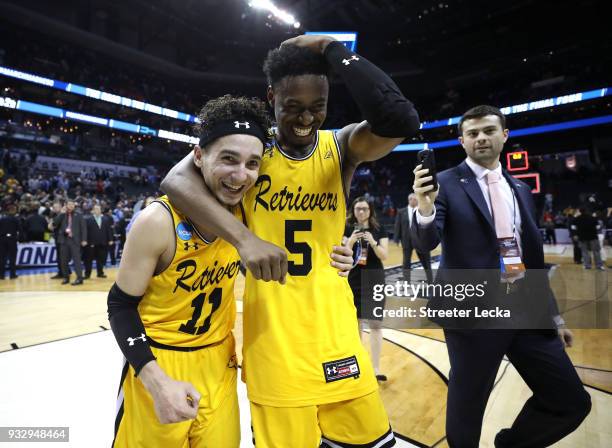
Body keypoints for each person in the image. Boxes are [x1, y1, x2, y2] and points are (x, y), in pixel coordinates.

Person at [162, 34, 419, 447]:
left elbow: (401, 119)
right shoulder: (251, 155)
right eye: (293, 107)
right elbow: (176, 181)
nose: (305, 119)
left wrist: (333, 49)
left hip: (337, 338)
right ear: (271, 99)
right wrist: (245, 240)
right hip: (275, 349)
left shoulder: (341, 146)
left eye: (317, 107)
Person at [108, 95, 356, 447]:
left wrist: (342, 253)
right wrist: (155, 380)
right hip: (160, 361)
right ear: (198, 155)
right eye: (228, 159)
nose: (241, 176)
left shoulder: (246, 211)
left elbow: (308, 224)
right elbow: (119, 305)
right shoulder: (157, 222)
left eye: (252, 163)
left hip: (221, 361)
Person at [412, 105, 591, 447]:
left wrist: (553, 315)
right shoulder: (444, 184)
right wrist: (424, 205)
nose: (481, 138)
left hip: (526, 309)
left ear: (504, 136)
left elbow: (532, 260)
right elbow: (426, 241)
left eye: (489, 130)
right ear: (461, 140)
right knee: (467, 410)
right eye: (473, 133)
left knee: (571, 401)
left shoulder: (521, 189)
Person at [343, 196, 389, 381]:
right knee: (357, 323)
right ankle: (359, 364)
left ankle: (376, 368)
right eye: (358, 209)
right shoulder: (347, 228)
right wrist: (351, 240)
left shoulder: (379, 229)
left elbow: (384, 255)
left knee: (376, 324)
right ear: (353, 211)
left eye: (364, 209)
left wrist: (372, 241)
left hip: (375, 279)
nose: (361, 212)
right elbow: (343, 253)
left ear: (370, 211)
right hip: (355, 279)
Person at [393, 192, 433, 284]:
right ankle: (407, 282)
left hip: (421, 240)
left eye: (415, 199)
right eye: (412, 199)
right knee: (406, 262)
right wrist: (396, 239)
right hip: (407, 240)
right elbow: (397, 226)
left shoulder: (423, 210)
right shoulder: (401, 211)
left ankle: (430, 280)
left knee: (426, 261)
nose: (413, 201)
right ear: (409, 200)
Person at [52, 199, 87, 285]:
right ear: (66, 205)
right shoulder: (62, 215)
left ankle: (79, 278)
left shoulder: (78, 215)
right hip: (64, 240)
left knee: (77, 260)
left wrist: (84, 239)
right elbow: (54, 223)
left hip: (75, 240)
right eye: (69, 204)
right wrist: (61, 213)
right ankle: (66, 277)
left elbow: (83, 228)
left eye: (73, 204)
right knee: (63, 260)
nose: (71, 206)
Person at [84, 204, 113, 278]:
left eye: (99, 209)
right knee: (88, 259)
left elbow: (109, 230)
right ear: (93, 210)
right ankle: (87, 274)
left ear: (101, 210)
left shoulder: (105, 219)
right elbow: (85, 231)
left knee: (101, 259)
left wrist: (110, 239)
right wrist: (85, 240)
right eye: (96, 209)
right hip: (91, 243)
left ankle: (100, 273)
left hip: (102, 242)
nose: (97, 210)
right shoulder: (88, 219)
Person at [0, 204, 20, 279]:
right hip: (12, 239)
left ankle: (1, 275)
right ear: (12, 210)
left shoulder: (2, 219)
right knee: (12, 257)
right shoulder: (15, 219)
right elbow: (19, 229)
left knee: (2, 258)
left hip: (2, 239)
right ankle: (12, 274)